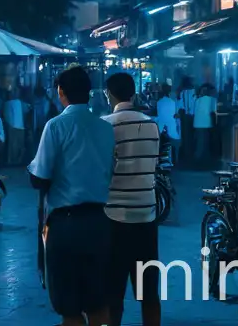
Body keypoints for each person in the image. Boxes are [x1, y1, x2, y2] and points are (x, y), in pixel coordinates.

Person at [29, 66, 115, 326]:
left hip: (65, 225)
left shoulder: (56, 126)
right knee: (98, 303)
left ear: (60, 92)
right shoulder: (105, 128)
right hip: (99, 222)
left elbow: (39, 176)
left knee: (70, 307)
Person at [102, 73, 161, 326]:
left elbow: (104, 169)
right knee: (148, 292)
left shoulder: (106, 125)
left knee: (113, 291)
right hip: (147, 215)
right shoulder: (151, 125)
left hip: (114, 216)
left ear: (109, 95)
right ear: (133, 94)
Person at [193, 84, 218, 167]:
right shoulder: (212, 100)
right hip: (206, 123)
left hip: (197, 124)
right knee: (205, 143)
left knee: (200, 143)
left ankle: (198, 160)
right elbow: (214, 112)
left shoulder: (197, 100)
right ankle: (203, 161)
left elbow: (194, 112)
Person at [154, 85, 180, 166]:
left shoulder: (159, 102)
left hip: (161, 127)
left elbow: (158, 114)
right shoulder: (173, 102)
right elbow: (176, 115)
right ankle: (176, 159)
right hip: (172, 127)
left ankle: (158, 159)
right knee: (175, 142)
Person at [3, 90, 27, 166]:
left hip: (17, 127)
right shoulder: (13, 103)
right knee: (14, 145)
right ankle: (13, 161)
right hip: (15, 127)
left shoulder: (17, 103)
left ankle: (15, 160)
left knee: (16, 145)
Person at [177, 81, 196, 166]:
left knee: (185, 135)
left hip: (185, 116)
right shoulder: (194, 92)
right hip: (192, 116)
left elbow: (181, 106)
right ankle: (189, 153)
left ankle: (186, 153)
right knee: (190, 135)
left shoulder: (183, 93)